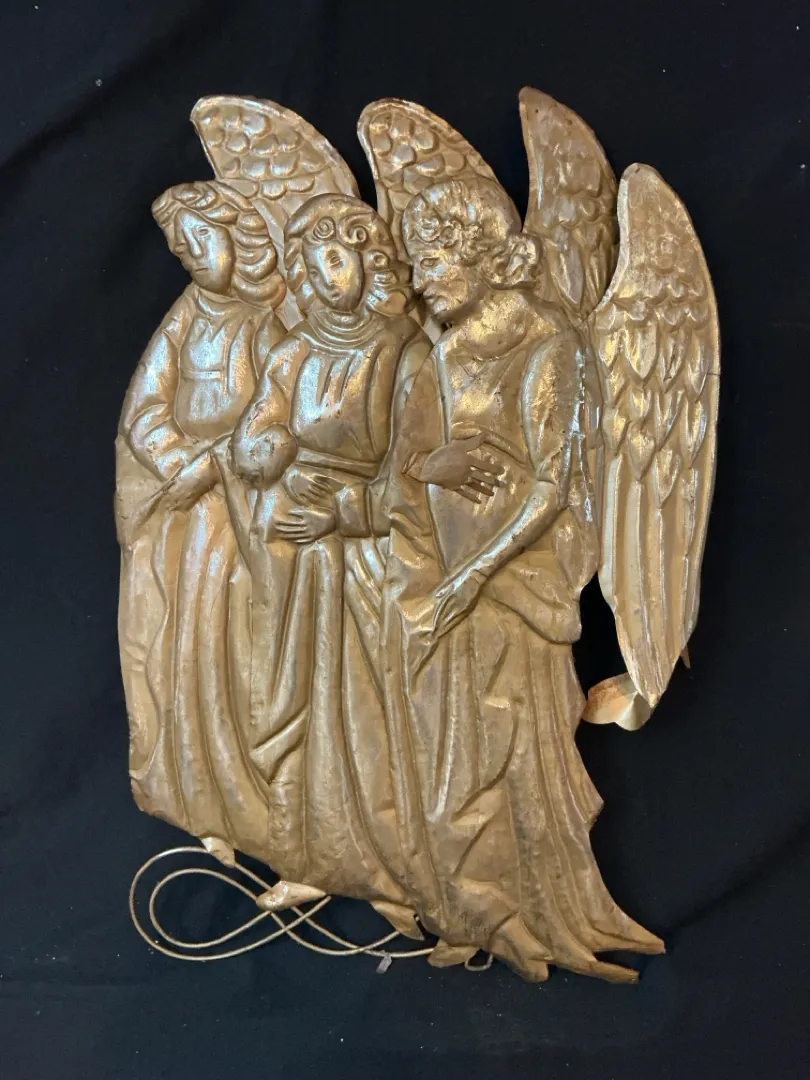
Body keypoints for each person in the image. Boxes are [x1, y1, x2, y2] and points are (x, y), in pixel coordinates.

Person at [380, 176, 665, 981]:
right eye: (416, 263)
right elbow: (411, 462)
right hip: (446, 576)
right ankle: (476, 915)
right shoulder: (440, 353)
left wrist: (474, 576)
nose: (422, 281)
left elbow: (553, 487)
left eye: (435, 261)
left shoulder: (549, 346)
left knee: (519, 752)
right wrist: (434, 471)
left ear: (484, 259)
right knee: (457, 754)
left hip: (516, 585)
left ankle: (551, 919)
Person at [228, 194, 431, 931]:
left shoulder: (406, 352)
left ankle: (396, 869)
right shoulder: (293, 351)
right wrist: (270, 452)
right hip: (296, 556)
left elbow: (419, 471)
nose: (325, 279)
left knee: (370, 708)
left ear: (370, 261)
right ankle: (310, 860)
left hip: (369, 554)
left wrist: (344, 513)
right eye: (314, 269)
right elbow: (251, 440)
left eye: (338, 261)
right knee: (300, 706)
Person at [116, 181, 286, 865]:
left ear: (238, 236)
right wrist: (177, 460)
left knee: (237, 651)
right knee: (184, 650)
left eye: (199, 241)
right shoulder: (187, 314)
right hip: (189, 519)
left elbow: (282, 416)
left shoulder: (269, 320)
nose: (191, 257)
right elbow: (145, 407)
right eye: (180, 250)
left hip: (244, 520)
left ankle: (256, 802)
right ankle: (200, 796)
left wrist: (217, 464)